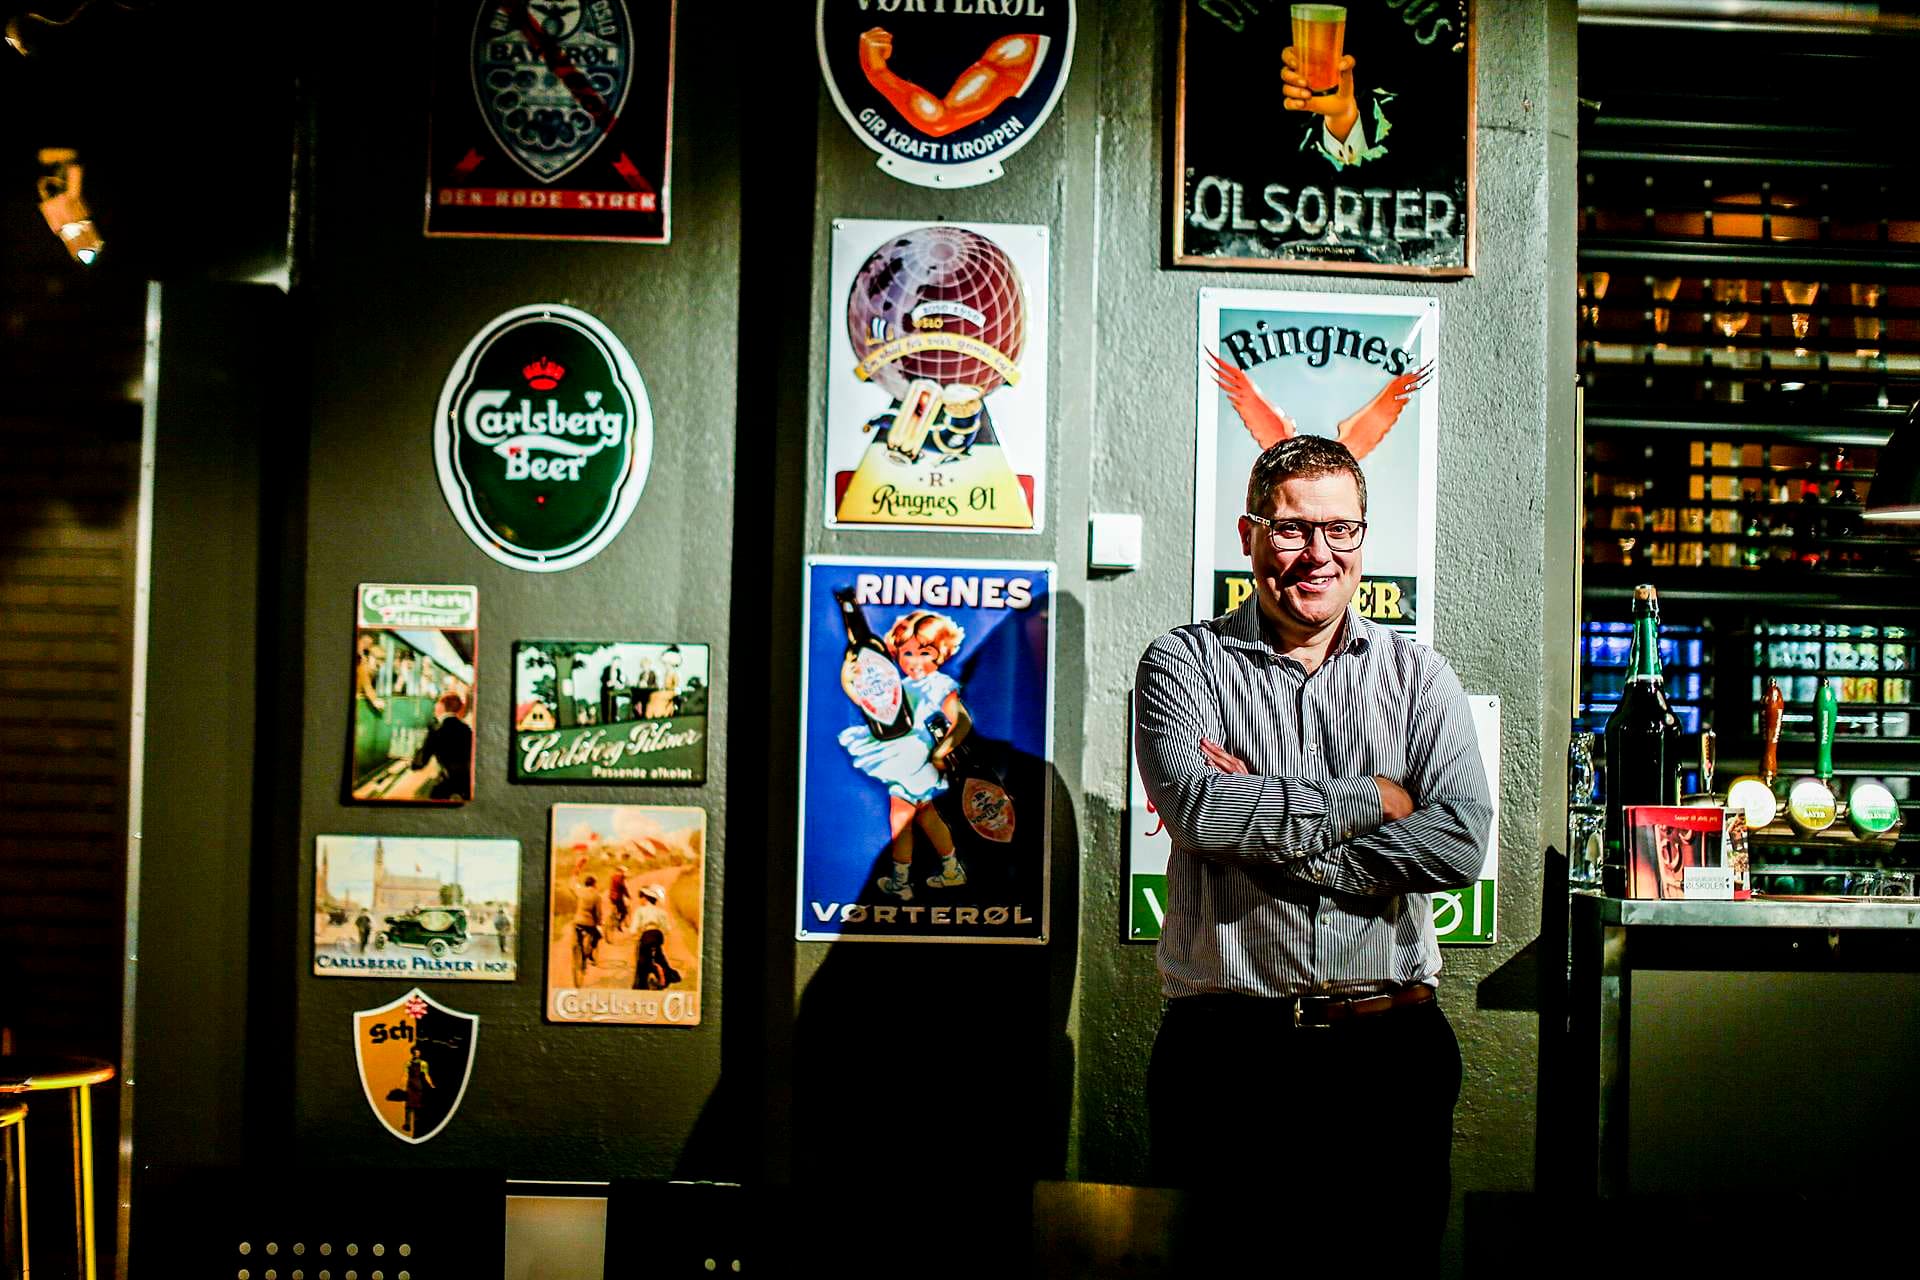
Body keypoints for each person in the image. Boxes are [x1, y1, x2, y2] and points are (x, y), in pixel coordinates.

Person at [1133, 436, 1491, 1250]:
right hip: (1225, 1059)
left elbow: (1458, 845)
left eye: (1341, 529)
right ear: (1249, 534)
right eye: (1293, 529)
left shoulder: (1418, 677)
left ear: (1363, 535)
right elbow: (1200, 815)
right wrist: (1376, 799)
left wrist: (1266, 819)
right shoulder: (1184, 664)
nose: (1318, 554)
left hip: (1390, 1055)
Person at [837, 609, 973, 899]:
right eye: (907, 653)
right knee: (925, 816)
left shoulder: (939, 685)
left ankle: (902, 883)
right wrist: (849, 680)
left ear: (942, 653)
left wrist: (942, 751)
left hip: (916, 757)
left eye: (924, 653)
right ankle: (950, 871)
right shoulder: (902, 685)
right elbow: (872, 705)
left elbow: (962, 721)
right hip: (903, 755)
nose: (914, 661)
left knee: (901, 819)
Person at [411, 692, 473, 801]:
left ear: (442, 706)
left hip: (448, 785)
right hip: (467, 785)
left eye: (437, 703)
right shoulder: (467, 729)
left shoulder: (437, 730)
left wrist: (413, 760)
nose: (435, 707)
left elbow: (419, 763)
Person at [401, 1043, 434, 1136]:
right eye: (415, 1052)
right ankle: (407, 1124)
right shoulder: (408, 1063)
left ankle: (417, 1123)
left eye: (418, 1052)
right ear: (412, 1053)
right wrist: (402, 1084)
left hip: (418, 1085)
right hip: (410, 1085)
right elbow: (405, 1075)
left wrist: (431, 1084)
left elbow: (426, 1075)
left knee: (417, 1105)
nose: (416, 1054)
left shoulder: (423, 1064)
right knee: (408, 1106)